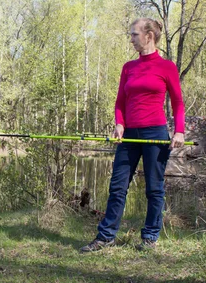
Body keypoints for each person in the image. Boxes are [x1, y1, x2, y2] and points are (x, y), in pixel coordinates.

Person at [80, 17, 186, 253]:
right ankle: (106, 236)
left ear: (149, 36)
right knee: (117, 186)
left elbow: (178, 103)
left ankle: (149, 237)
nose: (131, 39)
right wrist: (119, 124)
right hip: (128, 136)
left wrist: (179, 130)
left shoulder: (167, 67)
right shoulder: (129, 67)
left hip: (155, 134)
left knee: (154, 188)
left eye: (134, 35)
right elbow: (120, 102)